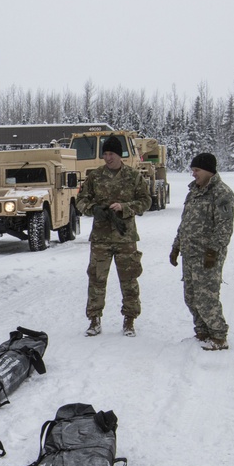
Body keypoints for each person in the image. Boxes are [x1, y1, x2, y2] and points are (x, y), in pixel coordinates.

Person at [75, 135, 151, 337]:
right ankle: (94, 319)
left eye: (111, 154)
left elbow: (146, 201)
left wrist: (125, 207)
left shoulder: (132, 176)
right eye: (105, 154)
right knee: (96, 279)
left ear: (120, 155)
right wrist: (94, 209)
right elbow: (80, 200)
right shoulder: (95, 176)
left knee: (129, 279)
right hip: (100, 238)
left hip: (125, 237)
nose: (108, 158)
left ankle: (130, 319)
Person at [169, 152, 234, 350]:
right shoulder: (194, 193)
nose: (193, 174)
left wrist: (212, 252)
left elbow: (224, 227)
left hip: (207, 257)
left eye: (197, 170)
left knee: (206, 297)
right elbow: (185, 223)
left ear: (208, 171)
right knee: (190, 296)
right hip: (189, 255)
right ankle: (202, 331)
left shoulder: (222, 193)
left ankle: (218, 336)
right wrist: (176, 246)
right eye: (192, 170)